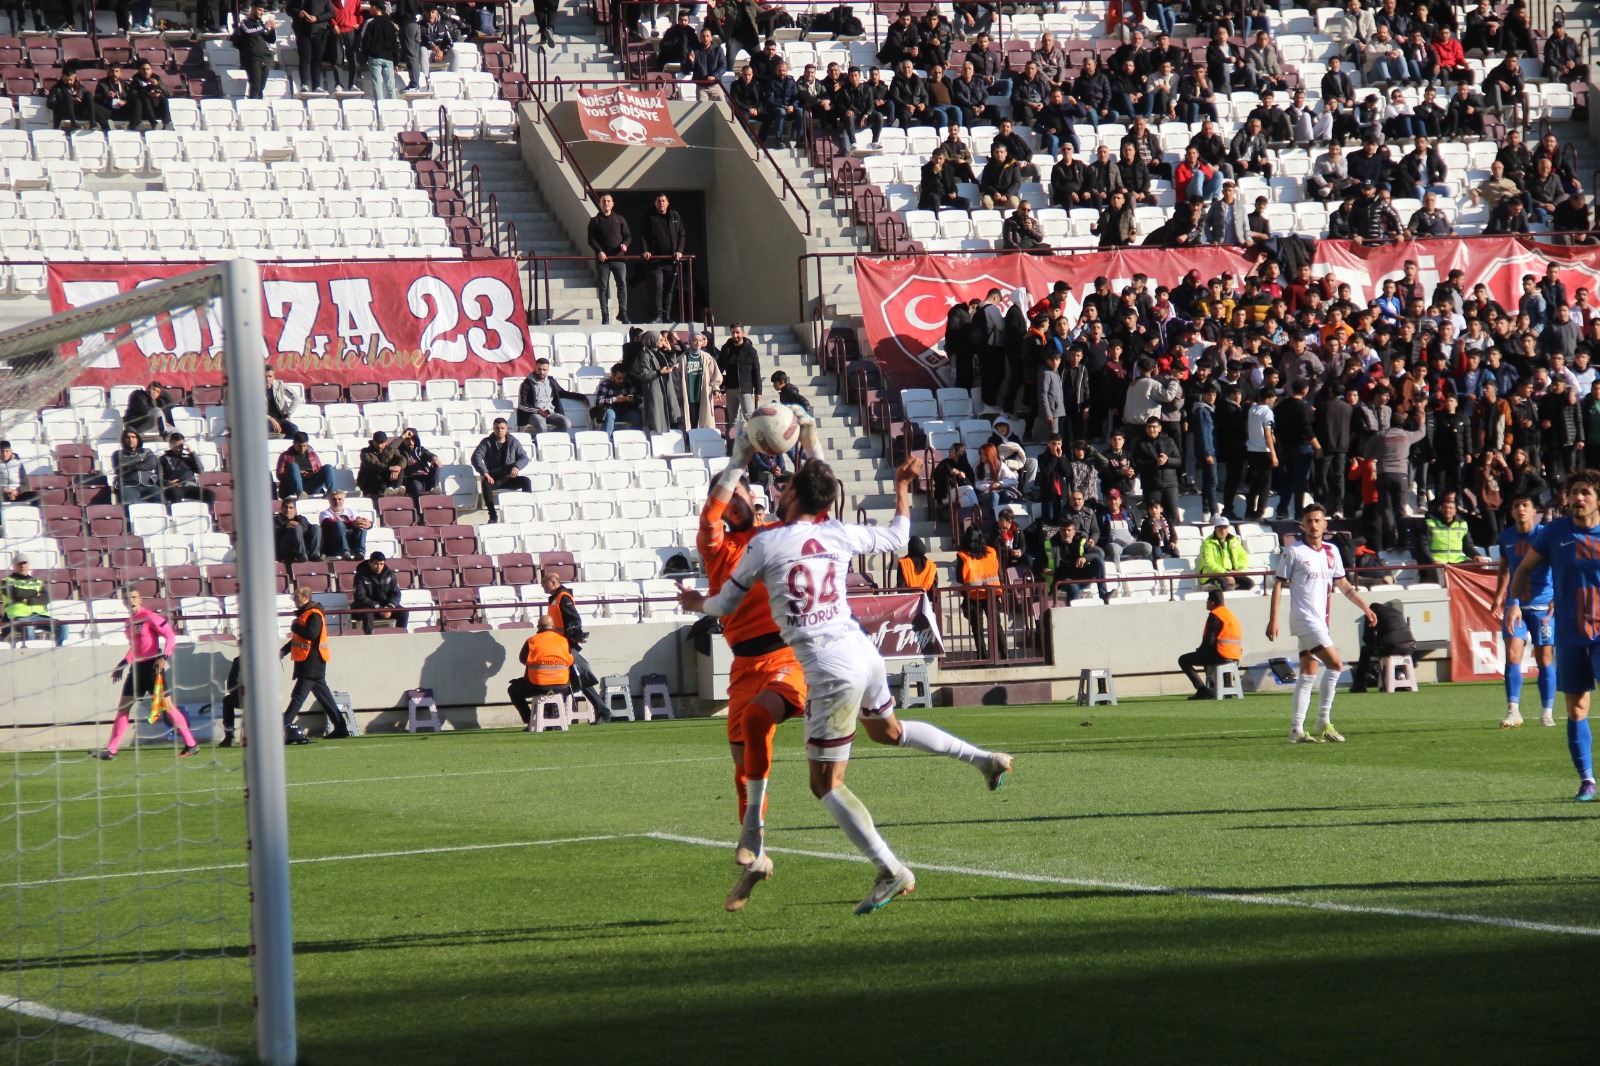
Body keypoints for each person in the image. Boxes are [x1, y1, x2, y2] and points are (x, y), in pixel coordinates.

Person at [677, 456, 1013, 914]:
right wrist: (900, 489)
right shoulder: (836, 532)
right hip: (863, 650)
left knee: (825, 784)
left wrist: (699, 601)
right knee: (888, 732)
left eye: (786, 485)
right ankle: (985, 760)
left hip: (829, 669)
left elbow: (726, 602)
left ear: (792, 496)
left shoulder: (769, 542)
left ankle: (890, 869)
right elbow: (896, 536)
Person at [695, 434, 814, 909]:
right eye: (726, 496)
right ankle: (758, 854)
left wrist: (800, 442)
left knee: (758, 722)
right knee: (742, 767)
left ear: (755, 495)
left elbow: (812, 504)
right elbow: (708, 516)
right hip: (743, 665)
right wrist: (737, 461)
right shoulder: (716, 547)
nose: (734, 499)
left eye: (742, 489)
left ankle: (751, 837)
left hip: (786, 655)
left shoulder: (772, 534)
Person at [1267, 504, 1379, 744]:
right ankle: (1322, 720)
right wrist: (1273, 619)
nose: (1314, 525)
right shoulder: (1293, 551)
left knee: (1308, 675)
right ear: (1303, 525)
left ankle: (1296, 729)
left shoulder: (1332, 551)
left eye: (1318, 520)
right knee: (1336, 665)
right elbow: (1278, 584)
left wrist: (1365, 607)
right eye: (1309, 521)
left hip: (1320, 621)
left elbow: (1344, 585)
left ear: (1325, 524)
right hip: (1304, 619)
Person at [97, 589, 198, 760]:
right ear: (124, 602)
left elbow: (170, 636)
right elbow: (136, 647)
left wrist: (164, 657)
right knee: (123, 708)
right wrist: (122, 665)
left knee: (168, 707)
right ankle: (111, 750)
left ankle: (191, 744)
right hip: (136, 669)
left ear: (140, 599)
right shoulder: (128, 622)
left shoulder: (150, 617)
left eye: (134, 597)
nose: (131, 601)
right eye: (127, 598)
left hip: (153, 668)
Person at [1489, 493, 1557, 728]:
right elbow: (1506, 567)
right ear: (1511, 511)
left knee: (1544, 659)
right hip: (1515, 605)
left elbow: (1558, 565)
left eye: (1525, 505)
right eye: (1516, 505)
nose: (1521, 509)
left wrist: (1557, 596)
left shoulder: (1545, 534)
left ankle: (1546, 712)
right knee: (1512, 655)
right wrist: (1499, 596)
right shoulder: (1506, 537)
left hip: (1543, 605)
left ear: (1533, 510)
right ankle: (1513, 710)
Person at [279, 586, 351, 740]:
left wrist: (295, 627)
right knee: (325, 697)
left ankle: (280, 728)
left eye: (297, 596)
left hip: (311, 662)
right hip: (311, 662)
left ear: (306, 597)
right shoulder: (307, 614)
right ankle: (340, 727)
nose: (294, 599)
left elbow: (311, 635)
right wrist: (283, 651)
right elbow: (299, 639)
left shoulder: (314, 614)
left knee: (298, 696)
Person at [541, 570, 608, 722]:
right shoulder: (556, 598)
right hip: (560, 645)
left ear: (553, 583)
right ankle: (552, 716)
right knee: (575, 678)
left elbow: (574, 620)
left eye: (544, 584)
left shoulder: (563, 598)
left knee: (578, 677)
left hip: (564, 646)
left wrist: (571, 641)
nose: (542, 587)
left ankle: (602, 711)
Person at [508, 615, 575, 727]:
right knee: (555, 693)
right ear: (553, 626)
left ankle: (530, 720)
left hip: (538, 686)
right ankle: (555, 720)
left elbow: (523, 659)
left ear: (538, 627)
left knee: (513, 690)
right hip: (562, 686)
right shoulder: (564, 641)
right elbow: (570, 660)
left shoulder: (531, 641)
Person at [1178, 589, 1244, 699]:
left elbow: (1209, 640)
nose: (1206, 604)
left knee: (1183, 660)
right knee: (1205, 656)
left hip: (1221, 654)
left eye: (1207, 601)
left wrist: (1199, 650)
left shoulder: (1215, 615)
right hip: (1235, 655)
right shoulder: (1229, 615)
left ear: (1212, 602)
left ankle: (1202, 689)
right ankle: (1226, 689)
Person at [1347, 599, 1419, 694]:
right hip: (1410, 647)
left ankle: (1360, 685)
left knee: (1365, 650)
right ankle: (1401, 679)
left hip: (1391, 647)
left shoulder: (1371, 613)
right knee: (1396, 653)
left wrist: (1375, 642)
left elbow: (1368, 638)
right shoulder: (1396, 612)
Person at [1416, 491, 1488, 583]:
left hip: (1458, 561)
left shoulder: (1462, 524)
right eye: (1445, 508)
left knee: (1479, 566)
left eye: (1450, 508)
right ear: (1441, 510)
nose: (1448, 510)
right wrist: (1432, 560)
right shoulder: (1430, 523)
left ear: (1455, 511)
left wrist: (1476, 556)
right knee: (1437, 571)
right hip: (1438, 562)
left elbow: (1468, 546)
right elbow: (1423, 547)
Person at [470, 417, 532, 523]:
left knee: (526, 481)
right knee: (485, 483)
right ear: (493, 429)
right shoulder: (487, 442)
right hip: (494, 478)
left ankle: (527, 510)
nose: (500, 430)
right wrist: (485, 473)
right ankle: (493, 516)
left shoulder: (513, 441)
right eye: (497, 428)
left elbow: (524, 457)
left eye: (502, 428)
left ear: (506, 429)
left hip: (510, 478)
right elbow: (476, 457)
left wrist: (517, 466)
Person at [640, 193, 686, 323]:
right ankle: (658, 315)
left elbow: (682, 234)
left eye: (663, 201)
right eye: (659, 201)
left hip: (671, 260)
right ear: (655, 203)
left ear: (667, 203)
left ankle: (666, 316)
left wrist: (679, 251)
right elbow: (643, 235)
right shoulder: (650, 217)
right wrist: (645, 251)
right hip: (656, 260)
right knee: (658, 287)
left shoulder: (675, 216)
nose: (661, 203)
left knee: (669, 289)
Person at [587, 194, 631, 325]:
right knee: (603, 287)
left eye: (608, 201)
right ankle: (605, 315)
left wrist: (625, 245)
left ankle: (623, 313)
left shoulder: (619, 219)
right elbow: (591, 239)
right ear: (600, 204)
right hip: (603, 261)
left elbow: (628, 236)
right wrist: (599, 251)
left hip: (619, 258)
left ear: (612, 203)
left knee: (622, 285)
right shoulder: (595, 221)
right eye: (603, 201)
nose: (606, 203)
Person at [2, 555, 62, 645]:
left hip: (40, 616)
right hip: (18, 617)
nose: (22, 566)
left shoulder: (37, 582)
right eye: (19, 564)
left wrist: (29, 600)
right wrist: (35, 593)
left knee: (63, 626)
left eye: (24, 563)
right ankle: (31, 652)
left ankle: (60, 649)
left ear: (28, 565)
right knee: (28, 626)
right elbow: (17, 594)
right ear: (14, 566)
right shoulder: (6, 581)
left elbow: (46, 598)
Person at [516, 357, 584, 433]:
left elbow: (562, 393)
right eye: (539, 369)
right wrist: (538, 411)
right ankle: (541, 442)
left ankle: (549, 439)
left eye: (544, 370)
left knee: (566, 423)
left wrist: (582, 397)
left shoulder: (551, 381)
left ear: (548, 370)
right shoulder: (526, 384)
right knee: (542, 426)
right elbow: (521, 405)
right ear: (535, 368)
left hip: (550, 412)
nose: (541, 372)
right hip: (533, 414)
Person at [351, 551, 406, 634]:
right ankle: (370, 640)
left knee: (403, 612)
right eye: (376, 564)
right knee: (367, 614)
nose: (379, 567)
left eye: (381, 564)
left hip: (385, 608)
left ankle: (401, 636)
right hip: (367, 607)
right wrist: (376, 607)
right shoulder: (360, 576)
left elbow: (396, 593)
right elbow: (360, 596)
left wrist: (390, 607)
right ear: (370, 563)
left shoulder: (390, 575)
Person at [1196, 516, 1255, 590]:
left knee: (1249, 583)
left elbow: (1243, 556)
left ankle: (1234, 597)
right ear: (1215, 529)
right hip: (1211, 574)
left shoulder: (1233, 540)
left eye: (1225, 528)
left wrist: (1240, 571)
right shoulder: (1207, 543)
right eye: (1220, 528)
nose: (1223, 531)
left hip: (1230, 572)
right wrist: (1225, 573)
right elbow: (1209, 563)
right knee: (1224, 586)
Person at [592, 363, 644, 438]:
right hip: (610, 410)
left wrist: (633, 399)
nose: (622, 380)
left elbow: (639, 399)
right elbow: (599, 402)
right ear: (613, 375)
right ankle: (607, 439)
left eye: (623, 378)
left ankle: (637, 439)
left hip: (626, 411)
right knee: (609, 414)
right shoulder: (605, 384)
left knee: (636, 415)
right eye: (619, 378)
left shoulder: (628, 384)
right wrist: (615, 399)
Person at [317, 489, 371, 561]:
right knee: (338, 523)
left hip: (351, 545)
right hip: (334, 546)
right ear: (329, 501)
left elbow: (360, 521)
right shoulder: (325, 513)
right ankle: (345, 552)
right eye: (334, 499)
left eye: (339, 499)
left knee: (362, 525)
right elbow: (329, 523)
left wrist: (369, 524)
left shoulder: (351, 512)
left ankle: (360, 552)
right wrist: (353, 524)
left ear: (343, 500)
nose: (337, 501)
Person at [113, 429, 161, 506]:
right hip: (128, 485)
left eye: (133, 437)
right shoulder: (118, 454)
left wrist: (132, 466)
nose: (131, 440)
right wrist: (141, 461)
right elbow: (120, 468)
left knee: (160, 498)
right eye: (128, 437)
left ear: (138, 439)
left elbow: (151, 464)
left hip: (148, 485)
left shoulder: (147, 451)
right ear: (124, 440)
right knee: (128, 504)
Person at [274, 498, 322, 563]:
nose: (288, 510)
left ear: (295, 510)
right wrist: (285, 527)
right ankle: (301, 555)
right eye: (286, 507)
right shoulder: (276, 520)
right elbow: (273, 535)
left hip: (303, 546)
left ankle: (314, 555)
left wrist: (300, 525)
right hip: (285, 549)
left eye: (291, 508)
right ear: (281, 508)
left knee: (316, 527)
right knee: (295, 527)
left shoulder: (301, 518)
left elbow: (308, 530)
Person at [265, 367, 298, 438]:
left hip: (281, 419)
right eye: (265, 376)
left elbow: (296, 397)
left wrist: (288, 413)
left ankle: (287, 447)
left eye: (270, 376)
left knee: (294, 429)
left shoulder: (280, 385)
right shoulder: (255, 388)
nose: (267, 379)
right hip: (265, 420)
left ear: (274, 377)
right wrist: (271, 419)